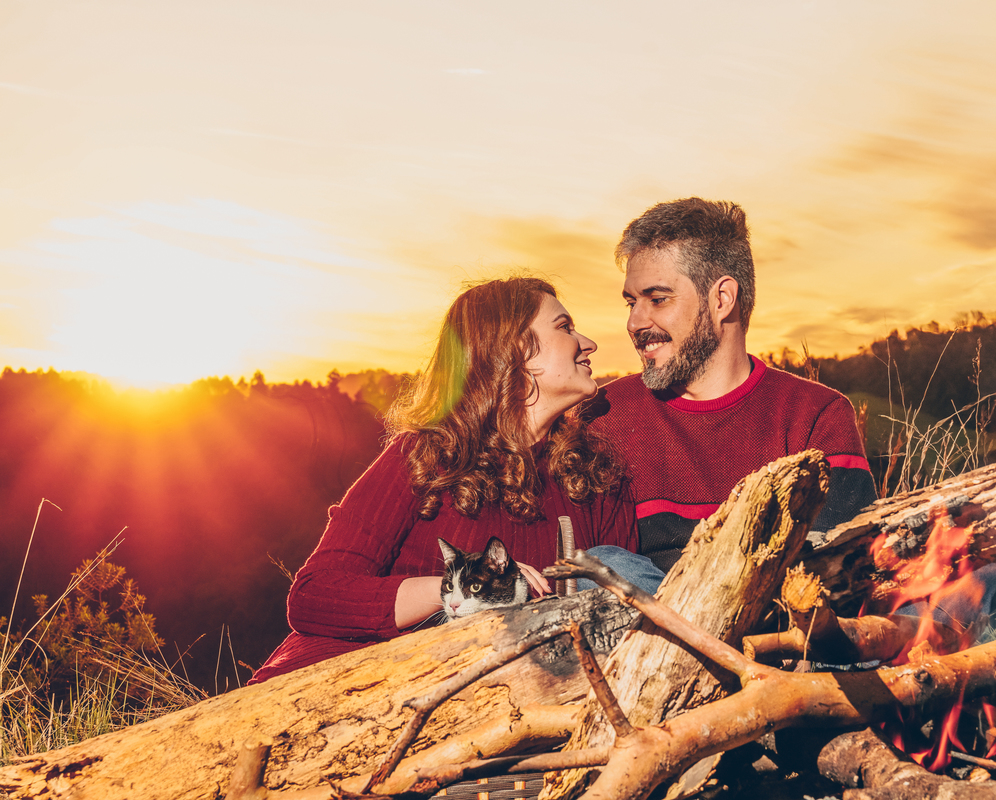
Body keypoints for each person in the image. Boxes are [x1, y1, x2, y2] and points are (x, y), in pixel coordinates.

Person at [250, 277, 637, 684]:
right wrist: (468, 590)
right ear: (515, 350)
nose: (589, 343)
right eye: (565, 327)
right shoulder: (424, 456)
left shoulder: (598, 478)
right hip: (330, 686)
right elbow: (314, 595)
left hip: (489, 700)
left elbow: (624, 620)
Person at [584, 198, 878, 580]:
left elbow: (839, 572)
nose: (635, 322)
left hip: (773, 611)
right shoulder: (605, 414)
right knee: (606, 562)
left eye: (657, 299)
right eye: (631, 303)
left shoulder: (816, 416)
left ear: (722, 299)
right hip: (640, 610)